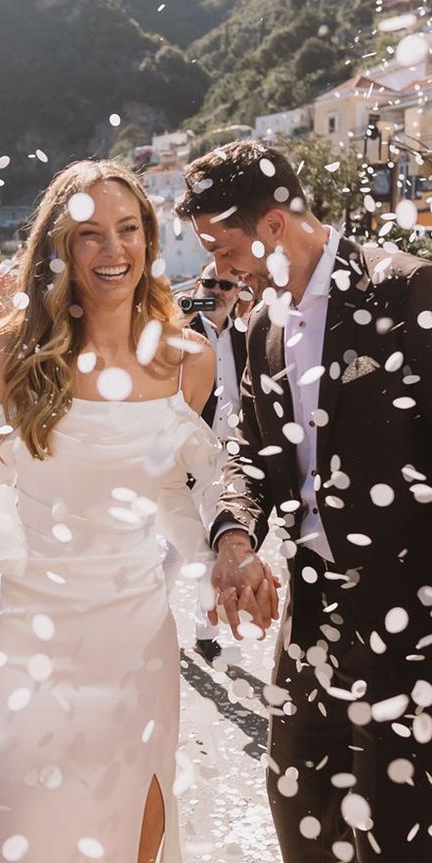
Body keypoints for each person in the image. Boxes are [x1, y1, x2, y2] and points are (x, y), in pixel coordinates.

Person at [175, 140, 432, 863]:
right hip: (316, 609)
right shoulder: (261, 325)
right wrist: (232, 537)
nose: (219, 270)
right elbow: (252, 459)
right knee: (301, 812)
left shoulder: (411, 289)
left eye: (225, 250)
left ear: (275, 224)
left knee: (395, 849)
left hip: (422, 617)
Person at [0, 160, 219, 863]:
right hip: (27, 637)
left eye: (128, 229)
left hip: (134, 637)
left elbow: (175, 497)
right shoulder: (7, 353)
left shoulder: (187, 361)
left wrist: (224, 567)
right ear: (59, 246)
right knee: (24, 862)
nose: (112, 248)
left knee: (134, 857)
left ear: (150, 241)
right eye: (89, 231)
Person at [184, 259, 247, 663]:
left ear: (239, 292)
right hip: (190, 450)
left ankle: (204, 631)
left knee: (216, 541)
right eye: (210, 283)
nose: (217, 292)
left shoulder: (247, 333)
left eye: (226, 285)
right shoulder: (183, 331)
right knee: (174, 550)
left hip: (232, 455)